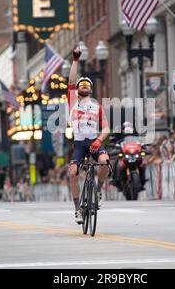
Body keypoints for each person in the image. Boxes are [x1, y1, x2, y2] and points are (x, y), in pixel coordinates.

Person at [67, 47, 111, 225]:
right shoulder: (72, 103)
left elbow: (106, 128)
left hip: (94, 142)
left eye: (87, 85)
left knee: (106, 162)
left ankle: (98, 191)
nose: (83, 86)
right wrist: (75, 60)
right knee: (72, 173)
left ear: (91, 90)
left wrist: (99, 140)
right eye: (81, 85)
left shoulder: (97, 106)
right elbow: (71, 79)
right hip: (79, 145)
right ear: (77, 90)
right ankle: (77, 209)